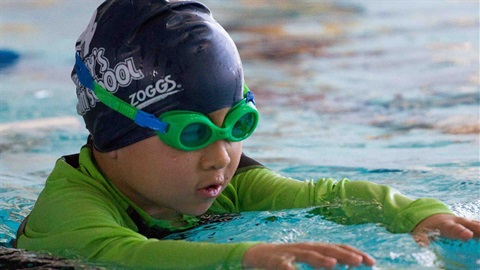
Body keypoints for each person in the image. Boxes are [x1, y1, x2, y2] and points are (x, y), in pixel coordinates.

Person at [15, 0, 480, 269]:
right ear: (115, 135)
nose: (221, 156)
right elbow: (126, 257)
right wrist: (243, 258)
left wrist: (418, 216)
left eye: (237, 125)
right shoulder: (68, 214)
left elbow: (327, 196)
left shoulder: (224, 181)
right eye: (191, 132)